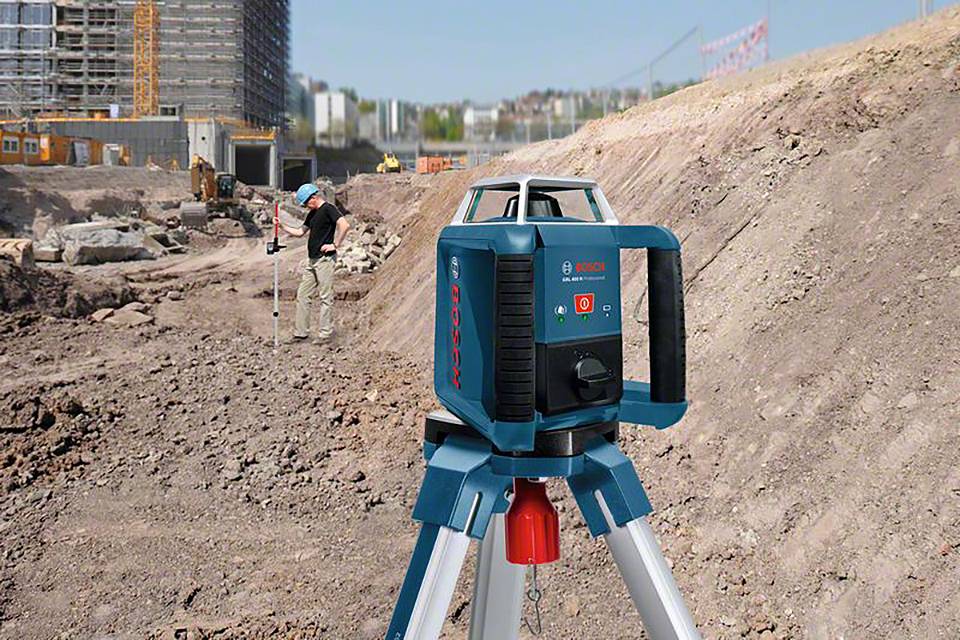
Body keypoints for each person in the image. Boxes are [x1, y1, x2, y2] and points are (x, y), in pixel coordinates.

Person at [278, 183, 350, 344]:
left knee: (325, 297)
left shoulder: (329, 209)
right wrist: (282, 226)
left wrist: (335, 245)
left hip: (325, 260)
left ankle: (325, 334)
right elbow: (299, 232)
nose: (305, 206)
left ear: (313, 197)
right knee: (303, 295)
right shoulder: (312, 214)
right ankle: (301, 333)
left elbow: (345, 225)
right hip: (312, 261)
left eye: (305, 203)